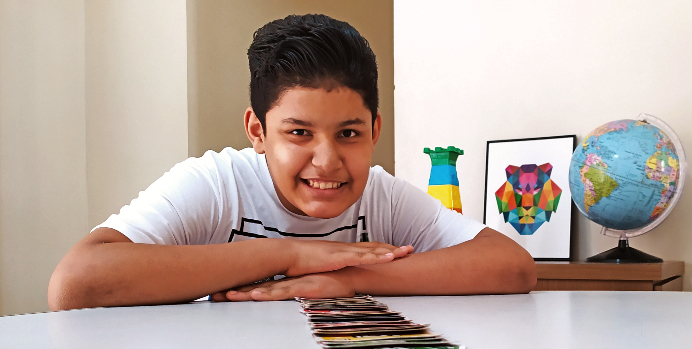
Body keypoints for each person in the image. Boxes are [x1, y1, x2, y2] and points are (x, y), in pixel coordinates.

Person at [48, 14, 536, 311]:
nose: (327, 161)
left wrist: (343, 281)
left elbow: (512, 267)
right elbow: (76, 283)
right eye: (298, 133)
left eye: (349, 134)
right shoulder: (217, 184)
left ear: (375, 132)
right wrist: (289, 255)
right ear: (258, 132)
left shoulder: (380, 195)